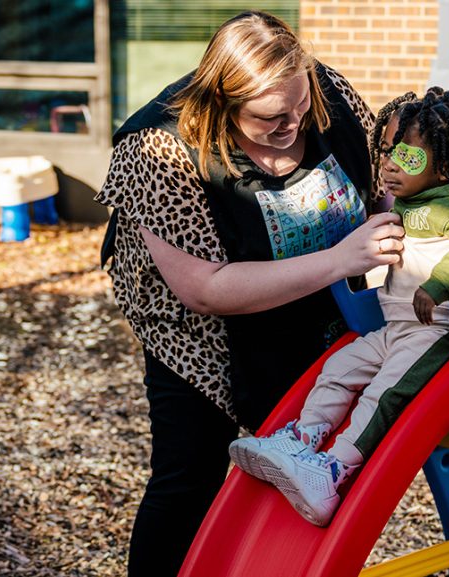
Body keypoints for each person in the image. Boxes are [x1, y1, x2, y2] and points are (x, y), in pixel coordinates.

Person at [94, 11, 405, 577]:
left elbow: (375, 182)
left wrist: (395, 219)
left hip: (315, 305)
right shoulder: (156, 151)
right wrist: (341, 258)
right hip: (199, 336)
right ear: (222, 102)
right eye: (270, 119)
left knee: (307, 455)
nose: (292, 126)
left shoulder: (322, 90)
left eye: (300, 109)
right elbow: (206, 290)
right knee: (188, 475)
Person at [228, 87, 449, 527]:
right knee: (339, 368)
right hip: (395, 328)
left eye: (410, 159)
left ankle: (332, 469)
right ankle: (304, 438)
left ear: (445, 167)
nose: (392, 166)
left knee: (385, 394)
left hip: (436, 331)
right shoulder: (412, 201)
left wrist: (439, 285)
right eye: (386, 153)